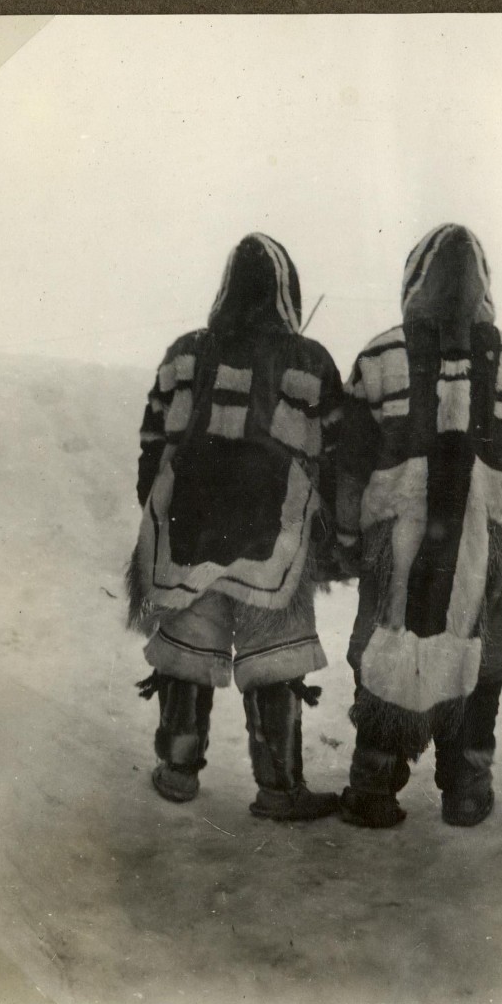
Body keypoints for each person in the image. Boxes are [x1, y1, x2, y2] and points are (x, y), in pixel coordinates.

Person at [335, 223, 502, 828]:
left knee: (381, 647)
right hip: (484, 549)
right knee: (483, 654)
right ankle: (467, 786)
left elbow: (350, 459)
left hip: (392, 545)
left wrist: (351, 538)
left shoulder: (379, 355)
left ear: (412, 280)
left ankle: (374, 783)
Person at [127, 233, 343, 821]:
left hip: (188, 529)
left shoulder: (183, 353)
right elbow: (336, 450)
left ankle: (177, 770)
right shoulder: (312, 360)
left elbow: (153, 441)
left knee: (188, 650)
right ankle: (279, 787)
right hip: (274, 539)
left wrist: (157, 504)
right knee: (273, 656)